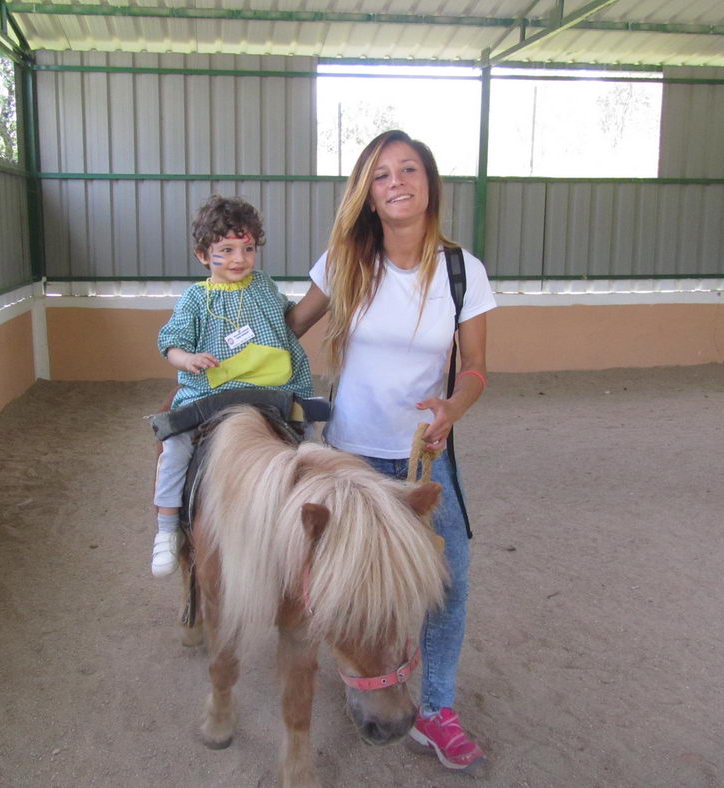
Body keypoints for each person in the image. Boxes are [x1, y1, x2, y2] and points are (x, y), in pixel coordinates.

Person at [286, 130, 496, 773]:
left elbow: (477, 369)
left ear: (429, 183)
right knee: (334, 584)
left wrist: (452, 409)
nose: (397, 181)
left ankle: (435, 710)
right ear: (367, 196)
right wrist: (220, 340)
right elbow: (288, 330)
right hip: (348, 456)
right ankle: (356, 679)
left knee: (448, 580)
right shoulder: (346, 260)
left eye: (409, 169)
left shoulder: (463, 270)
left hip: (421, 462)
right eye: (380, 175)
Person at [151, 195, 313, 577]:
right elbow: (170, 343)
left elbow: (287, 314)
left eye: (248, 248)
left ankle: (311, 523)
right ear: (203, 255)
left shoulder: (262, 285)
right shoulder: (196, 299)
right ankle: (167, 528)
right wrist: (187, 359)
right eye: (226, 249)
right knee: (174, 448)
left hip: (274, 390)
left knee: (313, 445)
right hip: (212, 395)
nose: (239, 258)